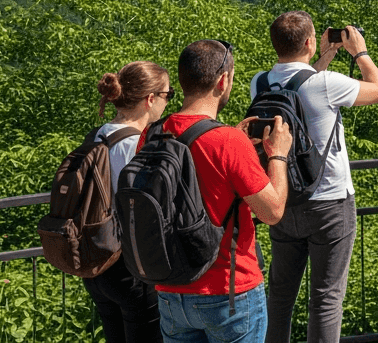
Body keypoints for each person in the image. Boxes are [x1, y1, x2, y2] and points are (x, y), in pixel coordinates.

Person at [256, 12, 378, 343]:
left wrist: (325, 55)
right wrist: (360, 52)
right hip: (329, 202)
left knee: (280, 296)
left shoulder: (260, 82)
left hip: (283, 197)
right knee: (326, 300)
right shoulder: (327, 84)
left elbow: (299, 86)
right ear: (309, 42)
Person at [148, 39, 293, 343]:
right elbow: (272, 212)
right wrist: (278, 155)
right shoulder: (228, 141)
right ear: (223, 80)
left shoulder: (154, 134)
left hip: (171, 290)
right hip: (229, 291)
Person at [81, 62, 173, 343]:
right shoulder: (137, 145)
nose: (167, 103)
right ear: (150, 99)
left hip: (97, 262)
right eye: (168, 95)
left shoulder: (97, 135)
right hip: (132, 269)